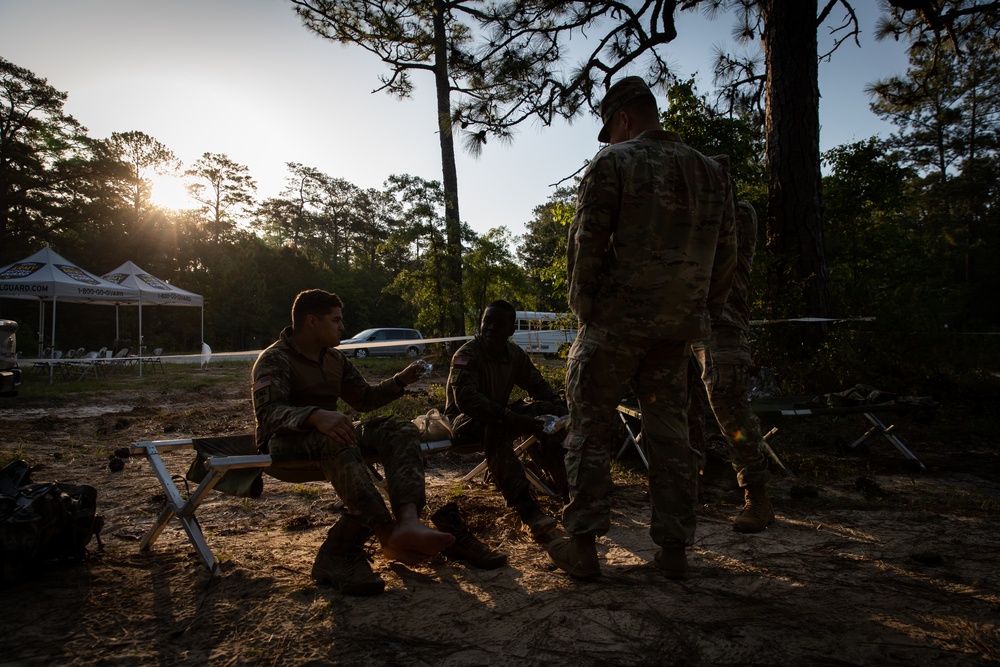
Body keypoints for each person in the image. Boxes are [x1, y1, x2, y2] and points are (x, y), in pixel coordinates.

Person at [546, 76, 737, 581]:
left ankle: (584, 547)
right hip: (674, 333)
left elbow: (587, 241)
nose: (608, 139)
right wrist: (703, 312)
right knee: (671, 436)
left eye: (609, 128)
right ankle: (674, 551)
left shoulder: (615, 161)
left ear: (624, 118)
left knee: (589, 429)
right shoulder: (711, 172)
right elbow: (726, 256)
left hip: (614, 324)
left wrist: (584, 306)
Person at [251, 289, 455, 596]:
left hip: (330, 439)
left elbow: (363, 399)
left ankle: (408, 523)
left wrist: (401, 380)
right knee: (334, 435)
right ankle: (383, 536)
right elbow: (268, 414)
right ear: (311, 321)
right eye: (335, 320)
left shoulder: (335, 359)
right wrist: (315, 416)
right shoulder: (274, 358)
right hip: (283, 445)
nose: (342, 328)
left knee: (398, 427)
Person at [444, 300, 568, 541]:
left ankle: (569, 493)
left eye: (499, 324)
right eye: (487, 322)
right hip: (463, 421)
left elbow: (536, 384)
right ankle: (529, 511)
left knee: (548, 411)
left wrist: (558, 405)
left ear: (511, 330)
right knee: (497, 426)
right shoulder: (467, 354)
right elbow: (466, 400)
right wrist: (512, 418)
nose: (491, 328)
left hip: (500, 414)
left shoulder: (513, 355)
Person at [690, 201, 774, 533]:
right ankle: (687, 486)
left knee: (730, 412)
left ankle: (757, 496)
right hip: (680, 324)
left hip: (721, 327)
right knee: (681, 410)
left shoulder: (736, 213)